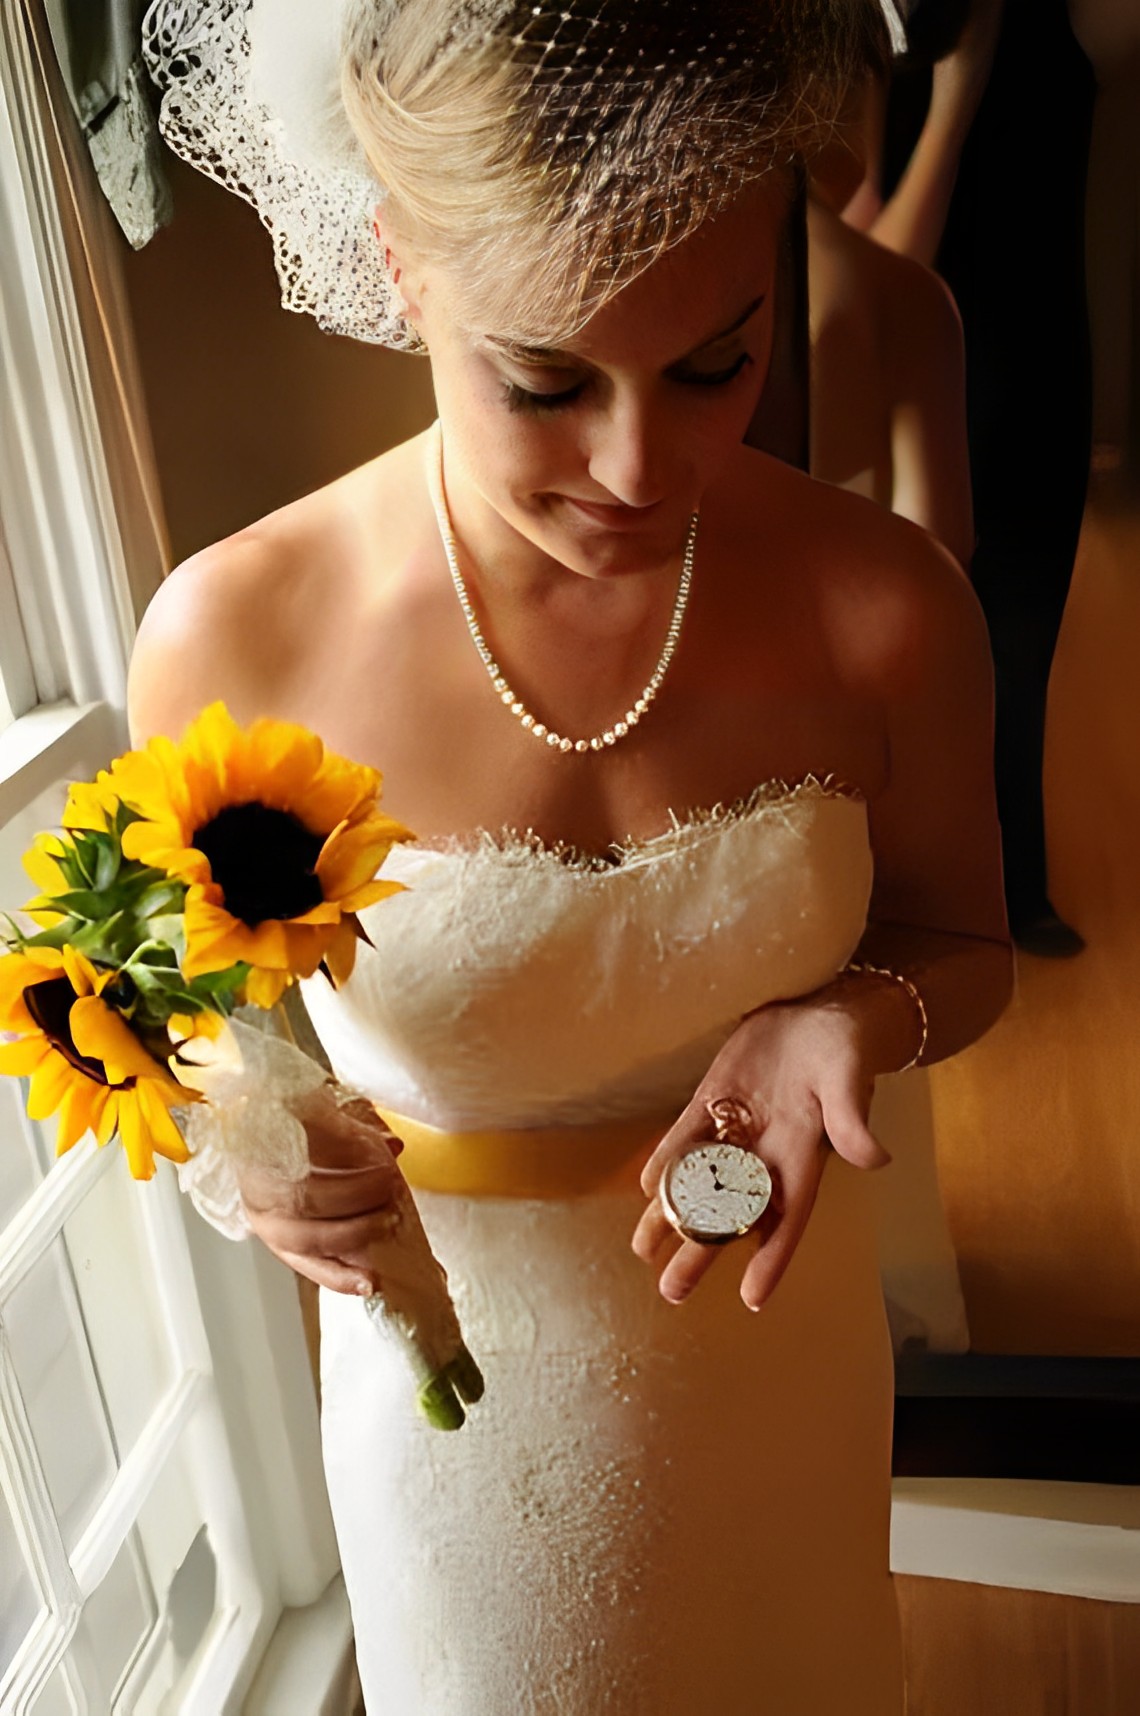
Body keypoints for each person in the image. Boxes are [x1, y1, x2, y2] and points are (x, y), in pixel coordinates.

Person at [133, 2, 1012, 1710]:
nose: (639, 466)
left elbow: (959, 942)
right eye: (545, 381)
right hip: (456, 1420)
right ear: (398, 270)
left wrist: (847, 1020)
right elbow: (169, 1028)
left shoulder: (888, 607)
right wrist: (251, 1158)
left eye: (716, 364)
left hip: (779, 1367)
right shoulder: (237, 634)